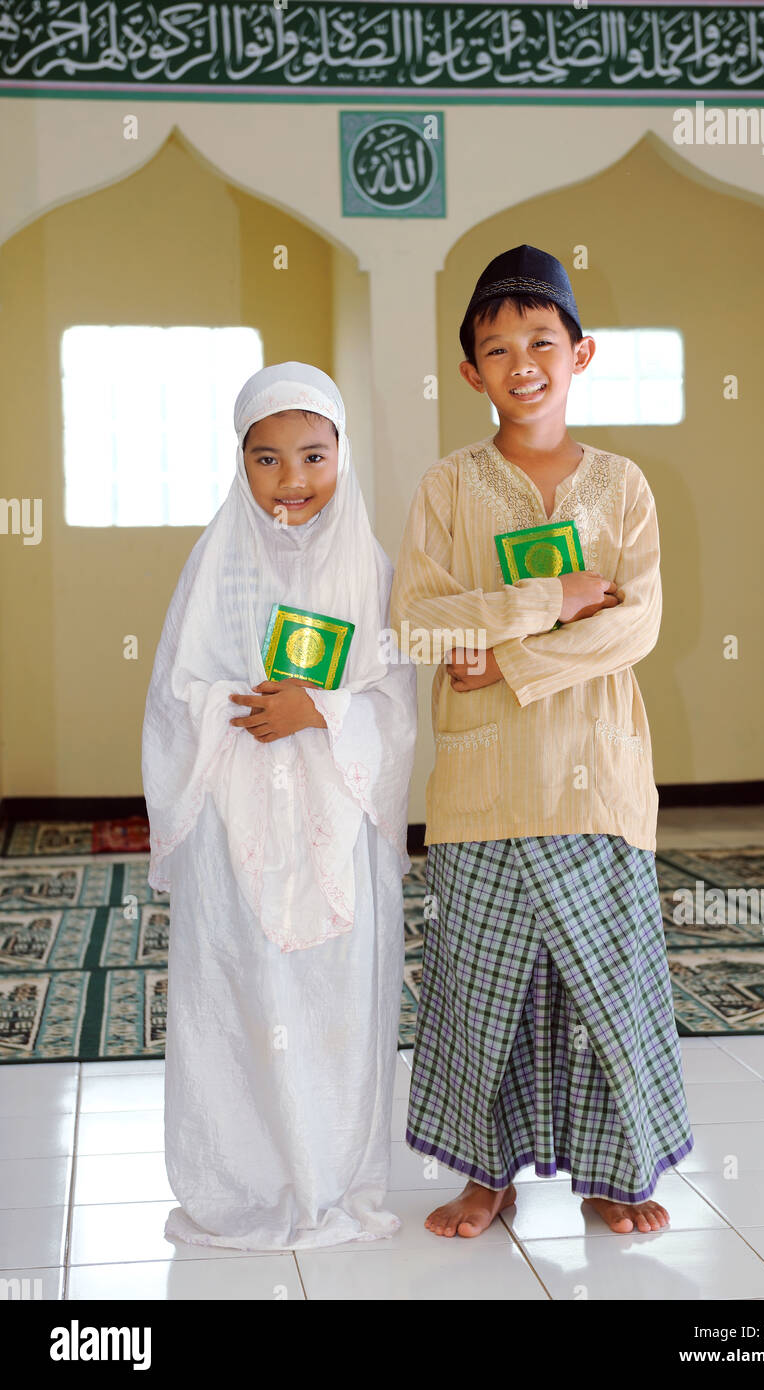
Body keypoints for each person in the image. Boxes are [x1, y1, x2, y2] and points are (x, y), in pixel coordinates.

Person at [390, 245, 693, 1238]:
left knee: (607, 987)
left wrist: (513, 657)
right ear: (472, 372)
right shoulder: (449, 486)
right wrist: (544, 599)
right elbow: (418, 623)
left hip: (596, 776)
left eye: (541, 341)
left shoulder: (621, 485)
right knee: (483, 993)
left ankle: (616, 1172)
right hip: (483, 787)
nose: (522, 361)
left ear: (580, 352)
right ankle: (487, 1177)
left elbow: (636, 624)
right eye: (497, 347)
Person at [142, 361, 417, 1251]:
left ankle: (332, 1177)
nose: (291, 481)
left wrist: (321, 709)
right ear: (240, 465)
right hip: (235, 825)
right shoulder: (218, 564)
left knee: (335, 1006)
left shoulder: (370, 568)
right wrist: (243, 703)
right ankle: (243, 1179)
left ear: (342, 454)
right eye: (267, 459)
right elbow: (174, 694)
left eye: (311, 455)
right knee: (243, 994)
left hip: (334, 832)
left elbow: (394, 706)